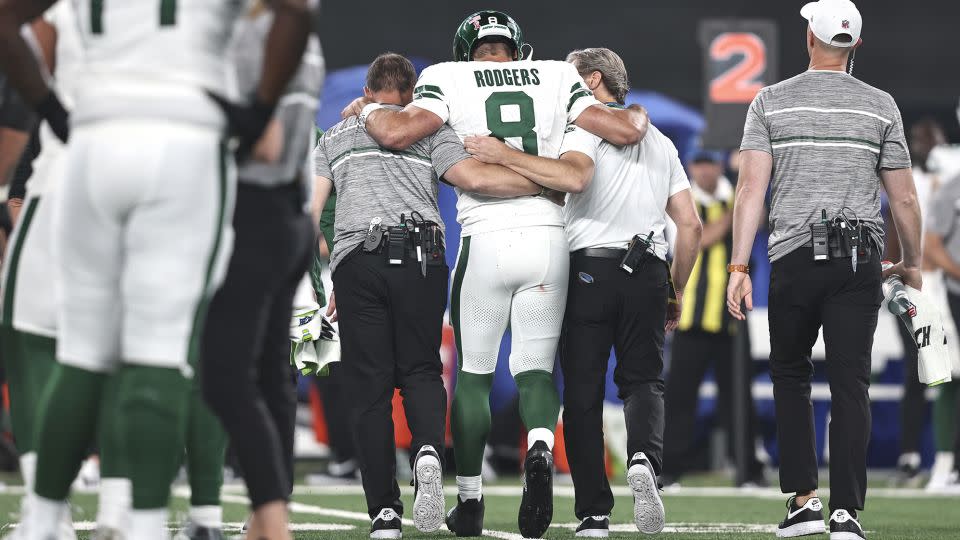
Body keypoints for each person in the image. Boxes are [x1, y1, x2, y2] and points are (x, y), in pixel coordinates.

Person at [0, 0, 312, 537]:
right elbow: (297, 14)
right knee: (160, 354)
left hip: (91, 144)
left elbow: (5, 18)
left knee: (80, 356)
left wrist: (51, 111)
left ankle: (44, 518)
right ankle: (141, 523)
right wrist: (258, 112)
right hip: (184, 139)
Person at [343, 11, 649, 538]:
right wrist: (541, 174)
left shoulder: (447, 76)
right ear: (517, 47)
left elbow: (397, 133)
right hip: (549, 240)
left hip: (484, 237)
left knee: (474, 375)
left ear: (469, 50)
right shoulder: (557, 75)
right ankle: (538, 445)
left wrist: (367, 107)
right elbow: (623, 130)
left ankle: (472, 500)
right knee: (533, 369)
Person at [318, 52, 557, 539]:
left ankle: (385, 514)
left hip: (356, 262)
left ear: (368, 90)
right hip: (420, 258)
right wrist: (546, 182)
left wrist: (327, 274)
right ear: (412, 95)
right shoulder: (431, 130)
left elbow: (312, 208)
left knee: (370, 390)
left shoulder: (334, 137)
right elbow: (476, 180)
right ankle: (428, 450)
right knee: (422, 370)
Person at [463, 47, 700, 538]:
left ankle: (593, 512)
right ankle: (642, 460)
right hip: (650, 268)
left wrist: (503, 155)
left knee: (585, 396)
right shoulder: (660, 141)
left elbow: (562, 181)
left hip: (588, 268)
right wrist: (676, 285)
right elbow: (691, 226)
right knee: (643, 382)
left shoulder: (578, 129)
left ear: (591, 81)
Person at [726, 1, 921, 538]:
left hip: (794, 256)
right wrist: (912, 263)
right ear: (855, 45)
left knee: (791, 376)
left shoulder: (771, 101)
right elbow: (903, 199)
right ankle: (846, 515)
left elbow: (750, 191)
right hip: (859, 260)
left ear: (810, 38)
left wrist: (739, 265)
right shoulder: (881, 106)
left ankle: (804, 502)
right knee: (850, 383)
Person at [199, 1, 319, 538]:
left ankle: (271, 520)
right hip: (287, 215)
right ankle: (269, 518)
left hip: (251, 210)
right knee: (271, 376)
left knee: (224, 376)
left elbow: (263, 139)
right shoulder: (300, 40)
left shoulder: (254, 35)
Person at [662, 149, 767, 489]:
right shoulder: (683, 200)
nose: (705, 171)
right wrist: (737, 213)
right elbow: (697, 238)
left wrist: (743, 191)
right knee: (680, 397)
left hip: (732, 316)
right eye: (700, 164)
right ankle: (670, 469)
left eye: (711, 164)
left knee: (738, 397)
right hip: (690, 317)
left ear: (719, 166)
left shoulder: (735, 196)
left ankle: (747, 469)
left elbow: (760, 216)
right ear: (692, 167)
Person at [886, 118, 950, 487]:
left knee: (947, 373)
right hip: (918, 286)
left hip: (946, 286)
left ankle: (946, 458)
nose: (928, 148)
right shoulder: (910, 181)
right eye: (923, 141)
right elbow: (897, 222)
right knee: (919, 370)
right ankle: (911, 455)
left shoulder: (949, 181)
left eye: (933, 140)